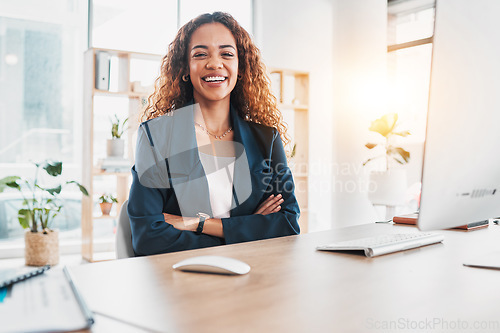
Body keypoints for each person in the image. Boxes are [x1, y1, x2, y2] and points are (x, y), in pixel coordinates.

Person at [127, 12, 300, 256]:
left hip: (256, 275)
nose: (214, 63)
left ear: (241, 68)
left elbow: (288, 224)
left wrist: (195, 223)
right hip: (183, 279)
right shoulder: (156, 137)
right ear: (185, 68)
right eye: (200, 54)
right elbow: (148, 237)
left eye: (227, 54)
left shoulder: (266, 140)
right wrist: (246, 232)